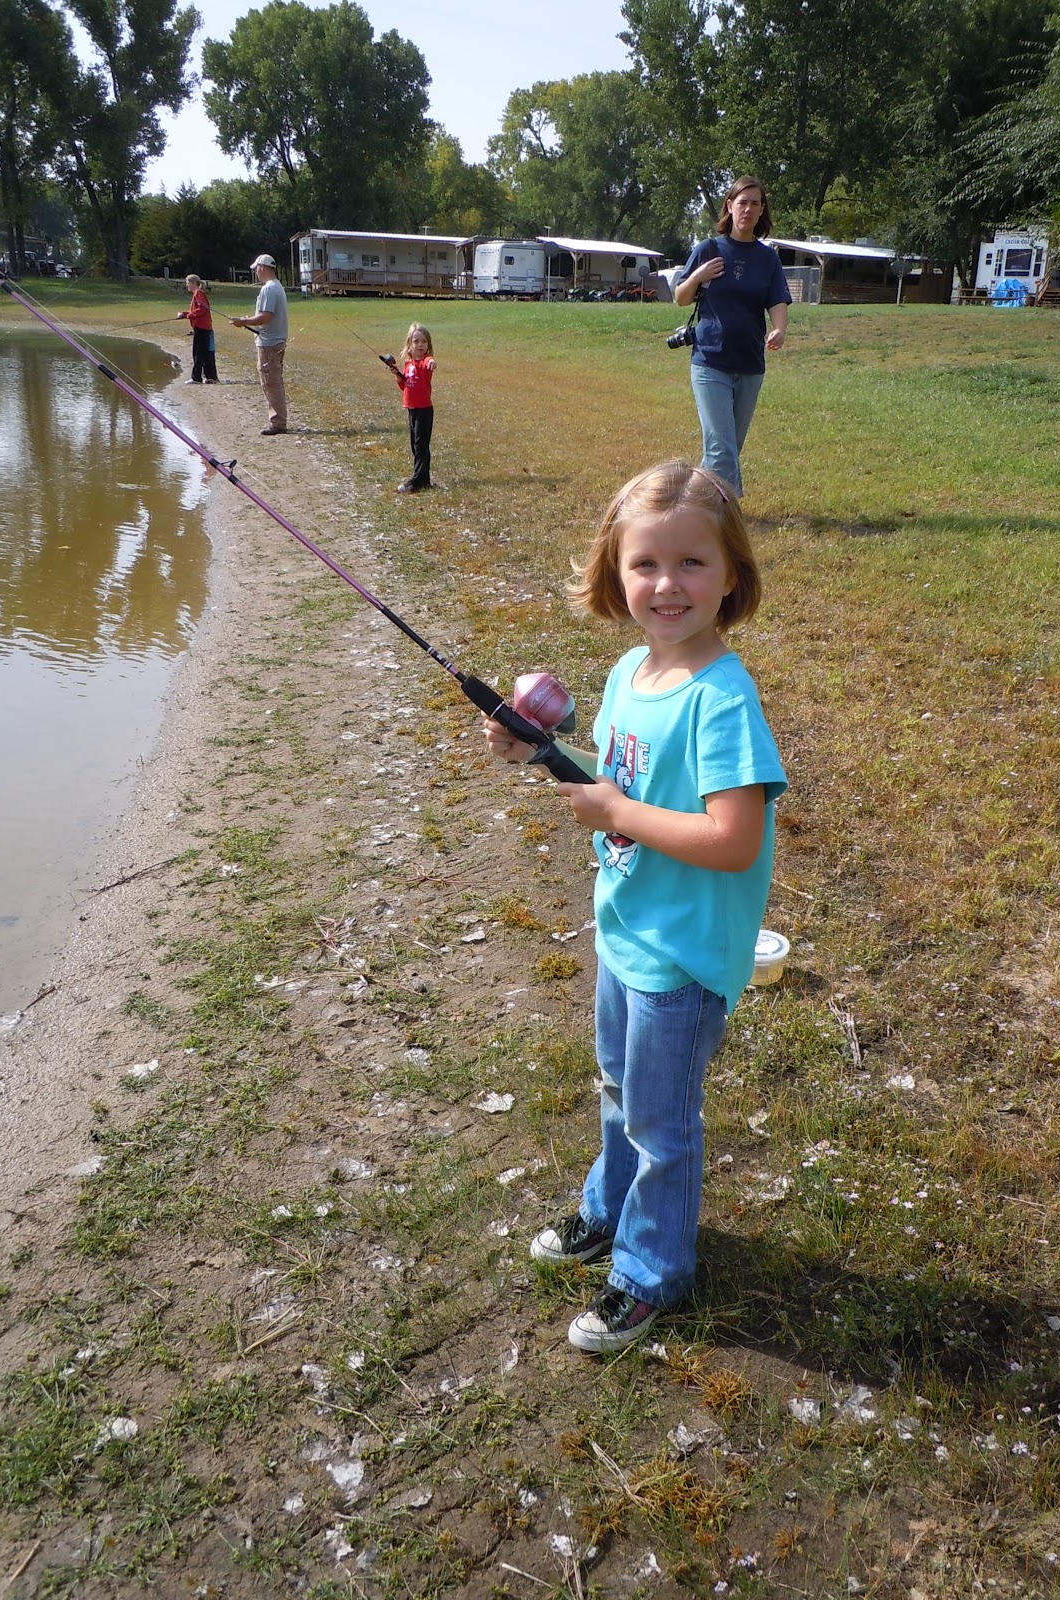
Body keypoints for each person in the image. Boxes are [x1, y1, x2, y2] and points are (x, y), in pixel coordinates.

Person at [483, 459, 786, 1353]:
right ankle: (607, 1209)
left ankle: (653, 1271)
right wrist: (535, 751)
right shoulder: (629, 674)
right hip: (626, 930)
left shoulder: (722, 699)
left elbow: (732, 838)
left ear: (731, 576)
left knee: (662, 1120)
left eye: (692, 563)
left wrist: (616, 812)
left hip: (682, 955)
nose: (667, 584)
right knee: (618, 1091)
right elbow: (618, 785)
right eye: (645, 564)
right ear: (616, 574)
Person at [674, 176, 792, 497]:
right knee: (720, 444)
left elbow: (777, 301)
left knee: (728, 446)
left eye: (756, 203)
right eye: (742, 202)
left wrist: (779, 328)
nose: (748, 209)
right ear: (730, 206)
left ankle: (694, 499)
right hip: (710, 361)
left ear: (761, 210)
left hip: (751, 364)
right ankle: (724, 514)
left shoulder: (767, 258)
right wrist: (698, 275)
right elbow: (681, 298)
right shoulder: (709, 249)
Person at [229, 253, 289, 435]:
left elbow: (265, 317)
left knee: (270, 382)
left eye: (256, 269)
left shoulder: (269, 289)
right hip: (275, 341)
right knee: (273, 380)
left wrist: (243, 321)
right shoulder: (277, 287)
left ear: (262, 268)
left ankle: (278, 423)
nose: (256, 272)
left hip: (269, 343)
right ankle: (278, 420)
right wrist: (246, 320)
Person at [380, 323, 436, 492]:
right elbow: (406, 387)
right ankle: (424, 479)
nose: (420, 345)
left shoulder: (425, 362)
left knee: (421, 445)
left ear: (428, 345)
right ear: (409, 344)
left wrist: (432, 361)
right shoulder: (408, 365)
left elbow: (430, 362)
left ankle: (416, 481)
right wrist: (397, 376)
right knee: (415, 445)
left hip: (424, 409)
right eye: (416, 341)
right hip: (411, 408)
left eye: (424, 342)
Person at [177, 274, 218, 384]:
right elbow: (197, 310)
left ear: (194, 283)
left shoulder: (198, 293)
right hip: (203, 327)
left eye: (188, 283)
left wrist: (188, 315)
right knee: (204, 353)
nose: (187, 286)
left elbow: (203, 309)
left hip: (202, 328)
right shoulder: (197, 293)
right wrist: (184, 314)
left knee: (198, 353)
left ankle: (196, 378)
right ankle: (209, 377)